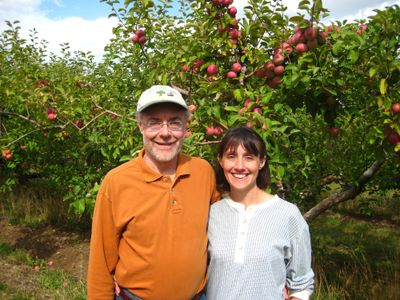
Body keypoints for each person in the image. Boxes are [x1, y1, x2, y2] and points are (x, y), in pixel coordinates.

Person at [87, 85, 219, 299]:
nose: (165, 133)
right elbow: (101, 261)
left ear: (186, 126)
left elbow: (228, 227)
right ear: (140, 126)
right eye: (154, 123)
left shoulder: (203, 172)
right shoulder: (117, 182)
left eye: (175, 122)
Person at [206, 126, 314, 300]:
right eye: (231, 157)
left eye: (248, 158)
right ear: (220, 160)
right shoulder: (212, 213)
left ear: (261, 161)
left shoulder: (288, 215)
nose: (239, 166)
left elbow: (301, 284)